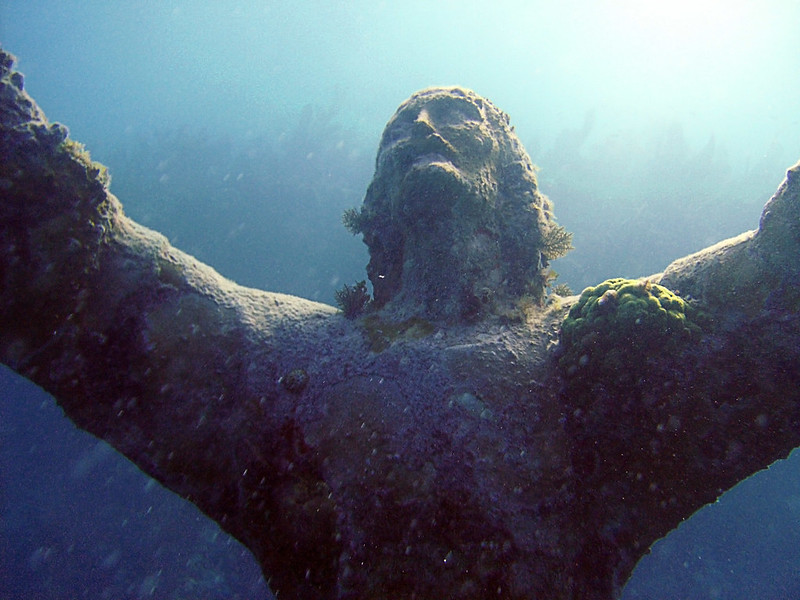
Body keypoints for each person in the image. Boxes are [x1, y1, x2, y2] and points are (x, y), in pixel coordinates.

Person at [2, 48, 799, 599]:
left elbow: (779, 275)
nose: (423, 129)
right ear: (374, 201)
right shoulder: (286, 355)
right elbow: (78, 265)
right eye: (398, 131)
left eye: (457, 116)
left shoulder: (592, 357)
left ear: (514, 178)